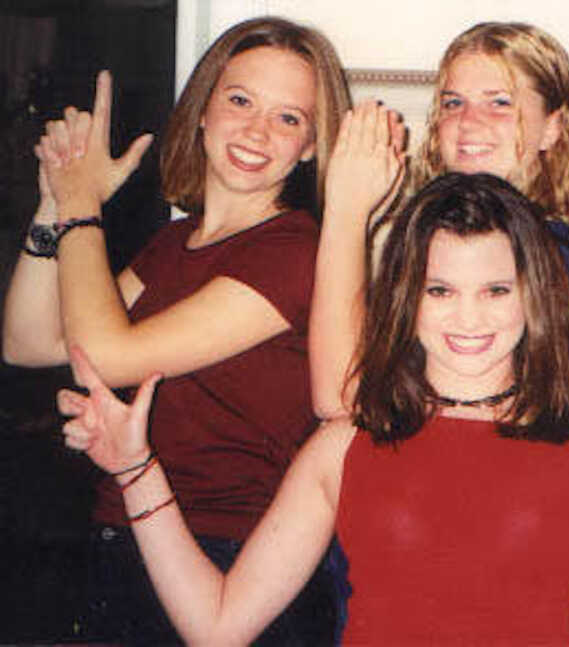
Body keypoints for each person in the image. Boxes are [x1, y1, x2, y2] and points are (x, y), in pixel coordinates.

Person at [58, 172, 569, 645]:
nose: (467, 317)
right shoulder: (343, 449)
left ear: (534, 300)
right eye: (440, 289)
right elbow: (219, 624)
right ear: (407, 301)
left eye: (494, 290)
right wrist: (134, 467)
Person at [3, 17, 351, 644]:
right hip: (124, 540)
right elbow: (31, 343)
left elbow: (109, 357)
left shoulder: (296, 251)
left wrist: (85, 204)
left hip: (224, 564)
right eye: (240, 100)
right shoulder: (174, 242)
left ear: (310, 147)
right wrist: (56, 201)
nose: (256, 130)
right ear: (203, 110)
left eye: (289, 118)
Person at [310, 21, 569, 418]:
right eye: (453, 103)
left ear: (553, 128)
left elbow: (343, 399)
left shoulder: (549, 255)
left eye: (500, 102)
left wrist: (345, 210)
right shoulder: (433, 237)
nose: (468, 122)